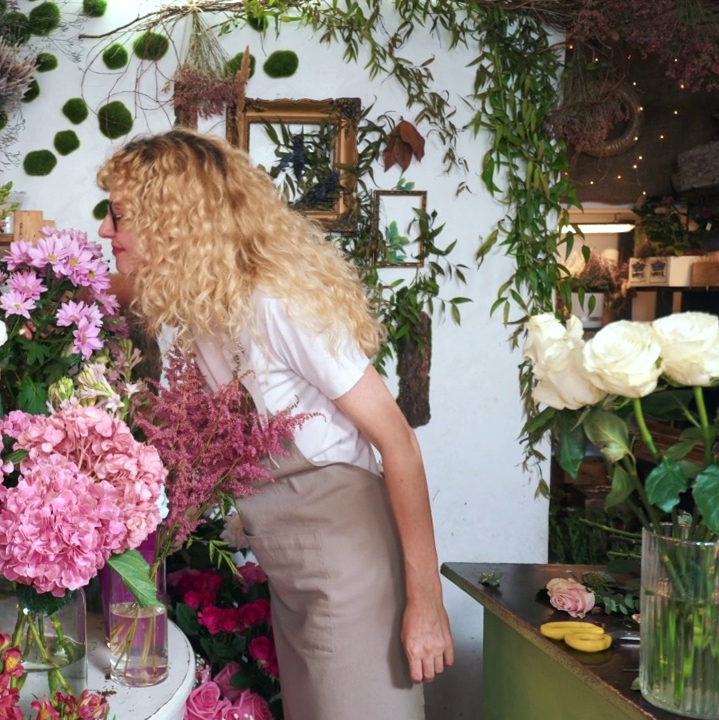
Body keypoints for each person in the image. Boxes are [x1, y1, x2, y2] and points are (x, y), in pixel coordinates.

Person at [96, 128, 453, 719]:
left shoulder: (277, 304)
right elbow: (108, 286)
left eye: (118, 215)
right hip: (295, 572)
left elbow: (399, 442)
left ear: (170, 220)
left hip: (349, 569)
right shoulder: (203, 308)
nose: (106, 231)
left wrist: (426, 603)